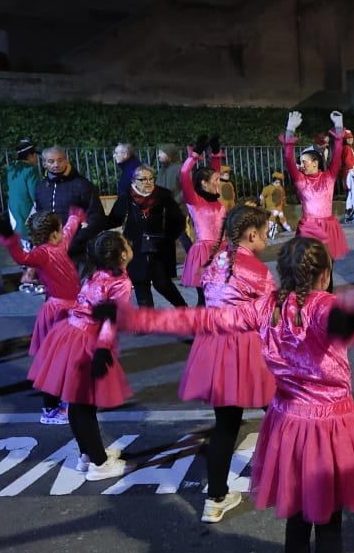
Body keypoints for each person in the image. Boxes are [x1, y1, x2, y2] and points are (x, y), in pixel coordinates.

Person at [104, 236, 354, 553]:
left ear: (282, 274)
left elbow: (201, 320)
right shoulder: (323, 305)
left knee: (296, 519)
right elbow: (339, 319)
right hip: (328, 425)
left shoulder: (265, 307)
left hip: (287, 422)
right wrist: (353, 317)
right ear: (324, 274)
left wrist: (137, 319)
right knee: (327, 523)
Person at [181, 206, 277, 523]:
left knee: (225, 426)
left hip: (215, 348)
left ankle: (216, 498)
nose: (266, 239)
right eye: (265, 234)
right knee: (280, 410)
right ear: (252, 235)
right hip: (247, 348)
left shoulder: (216, 261)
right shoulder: (257, 272)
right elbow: (272, 315)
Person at [27, 229, 134, 481]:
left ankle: (87, 454)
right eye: (126, 244)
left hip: (69, 334)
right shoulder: (120, 282)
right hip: (87, 341)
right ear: (121, 255)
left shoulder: (96, 274)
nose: (130, 246)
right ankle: (99, 463)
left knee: (76, 403)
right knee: (84, 404)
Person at [0, 208, 85, 424]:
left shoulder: (58, 245)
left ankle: (62, 403)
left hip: (69, 311)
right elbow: (21, 256)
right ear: (54, 233)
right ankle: (53, 408)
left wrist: (75, 216)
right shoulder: (43, 254)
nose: (64, 232)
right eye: (60, 229)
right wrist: (10, 240)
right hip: (58, 313)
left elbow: (70, 230)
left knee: (66, 360)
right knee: (56, 360)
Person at [108, 165, 186, 309]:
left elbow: (178, 220)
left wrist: (168, 237)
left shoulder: (163, 196)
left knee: (162, 282)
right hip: (135, 246)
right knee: (139, 281)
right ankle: (147, 318)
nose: (148, 182)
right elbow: (114, 219)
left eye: (151, 178)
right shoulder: (126, 196)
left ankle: (183, 308)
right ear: (134, 181)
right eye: (143, 179)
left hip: (159, 247)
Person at [281, 110, 349, 259]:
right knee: (309, 265)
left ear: (315, 163)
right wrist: (290, 130)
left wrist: (338, 126)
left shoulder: (329, 176)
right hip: (308, 228)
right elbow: (288, 157)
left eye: (305, 161)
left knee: (328, 267)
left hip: (328, 227)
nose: (301, 164)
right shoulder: (301, 180)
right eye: (301, 162)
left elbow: (337, 153)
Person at [34, 147, 105, 263]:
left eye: (60, 160)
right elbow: (39, 218)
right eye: (51, 161)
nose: (56, 165)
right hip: (50, 252)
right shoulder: (41, 188)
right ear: (44, 164)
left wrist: (76, 241)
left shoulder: (82, 185)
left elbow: (96, 217)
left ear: (67, 161)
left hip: (78, 252)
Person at [180, 146, 229, 305]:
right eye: (216, 180)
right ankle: (201, 327)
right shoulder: (194, 201)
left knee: (221, 293)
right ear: (203, 183)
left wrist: (216, 156)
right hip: (205, 253)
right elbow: (183, 174)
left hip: (222, 250)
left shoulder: (214, 198)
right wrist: (193, 158)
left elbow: (214, 172)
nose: (219, 183)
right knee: (205, 296)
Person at [6, 139, 42, 293]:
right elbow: (36, 194)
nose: (36, 160)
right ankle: (28, 276)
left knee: (25, 243)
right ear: (31, 155)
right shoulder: (30, 171)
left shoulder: (11, 170)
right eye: (35, 156)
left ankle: (27, 274)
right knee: (35, 243)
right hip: (28, 211)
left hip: (14, 211)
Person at [260, 171, 291, 240]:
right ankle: (269, 229)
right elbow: (262, 196)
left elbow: (283, 197)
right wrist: (262, 204)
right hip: (270, 206)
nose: (278, 184)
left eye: (279, 183)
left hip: (278, 207)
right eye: (276, 183)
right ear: (273, 182)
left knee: (281, 214)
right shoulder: (268, 188)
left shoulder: (281, 188)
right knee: (275, 213)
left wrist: (284, 203)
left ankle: (285, 226)